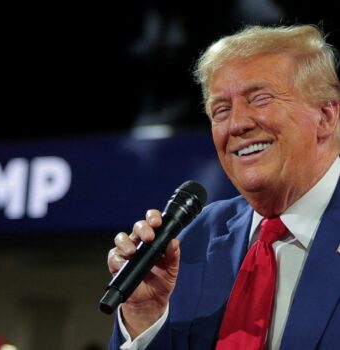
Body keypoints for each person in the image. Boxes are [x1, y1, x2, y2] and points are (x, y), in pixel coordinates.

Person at [107, 24, 340, 349]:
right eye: (221, 110)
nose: (236, 124)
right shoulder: (191, 240)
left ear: (326, 116)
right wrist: (144, 317)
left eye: (259, 99)